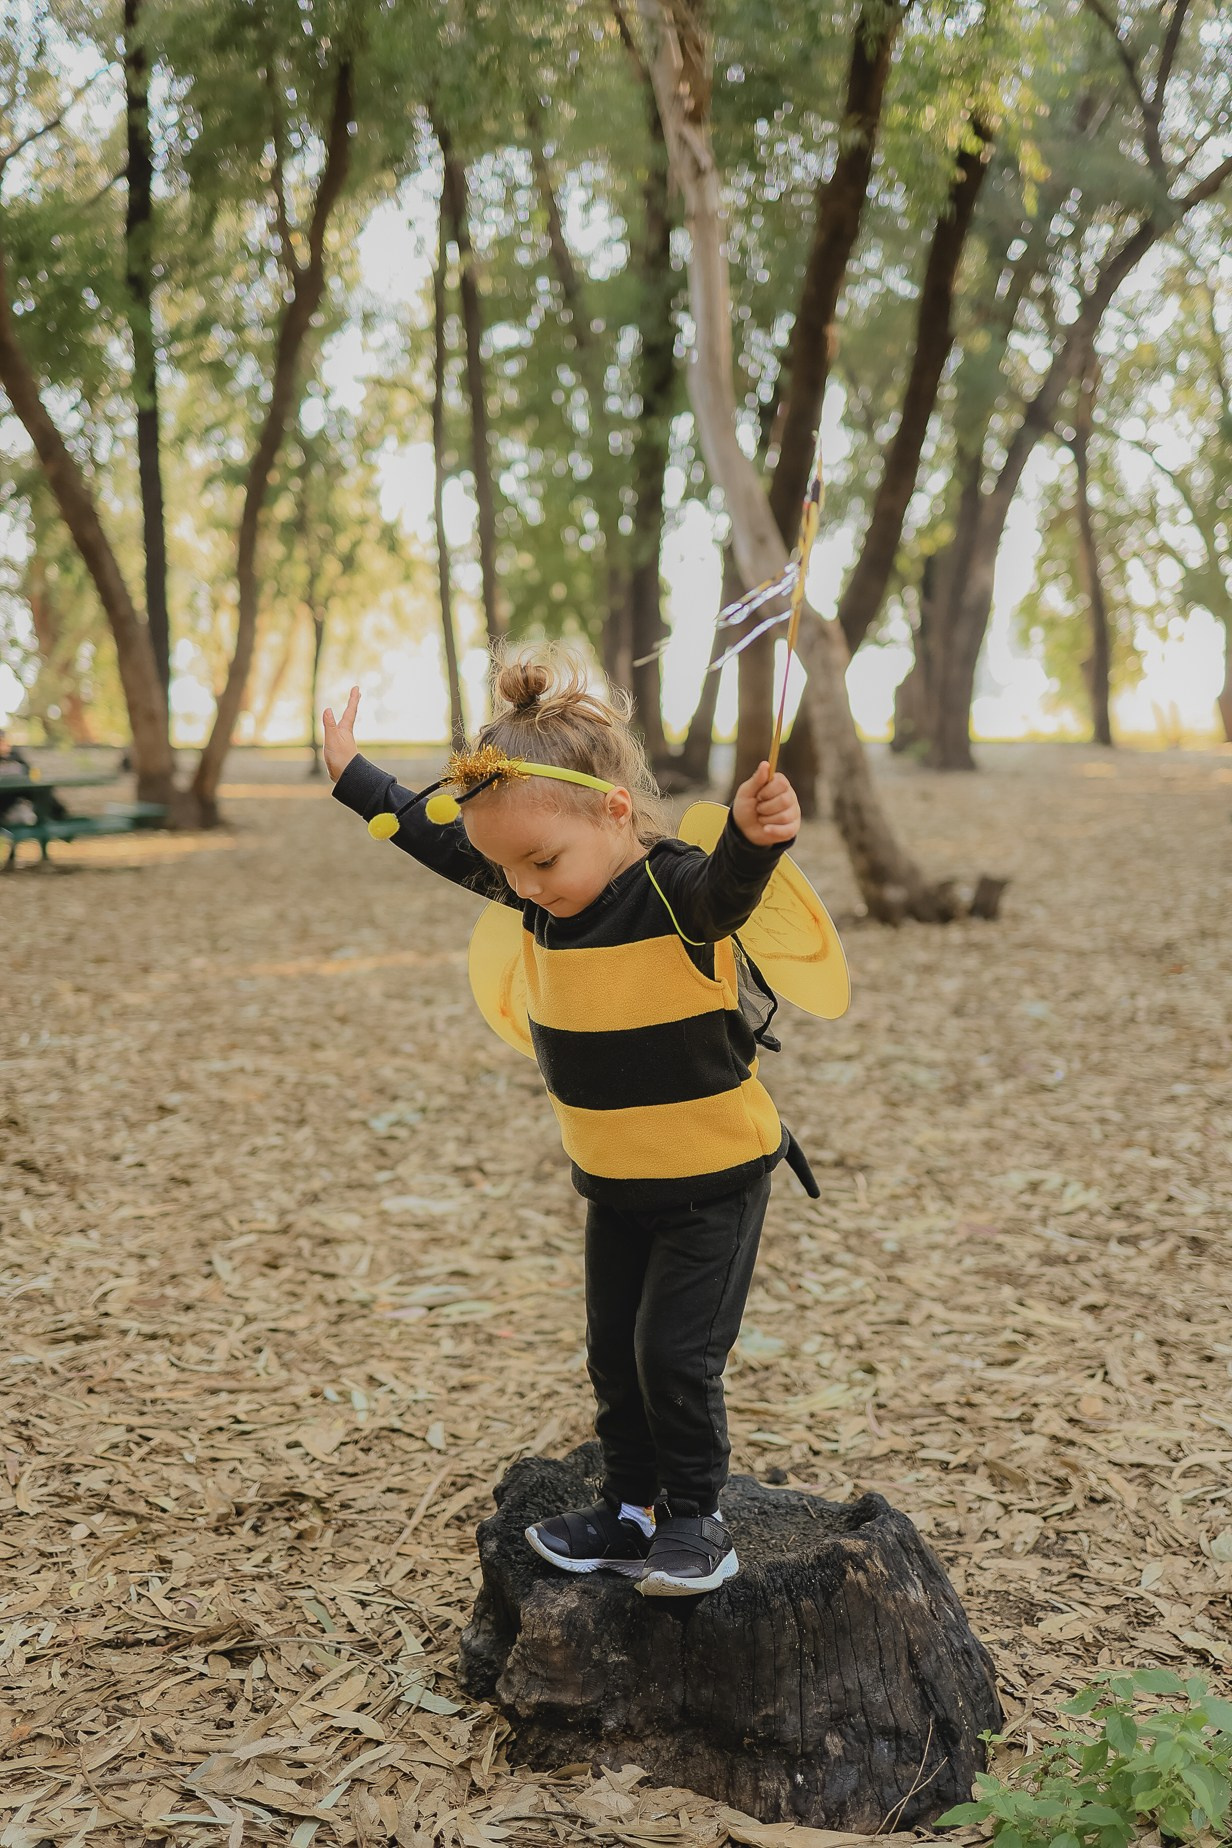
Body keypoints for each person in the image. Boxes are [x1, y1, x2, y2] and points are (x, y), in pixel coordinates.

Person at [323, 648, 804, 1597]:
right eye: (510, 868)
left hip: (713, 1178)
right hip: (615, 1180)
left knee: (674, 1355)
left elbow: (727, 894)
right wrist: (353, 777)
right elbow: (434, 835)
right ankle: (628, 1512)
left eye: (542, 861)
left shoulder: (673, 888)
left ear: (614, 812)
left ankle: (698, 1522)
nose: (526, 887)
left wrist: (753, 839)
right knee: (613, 1357)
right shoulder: (543, 892)